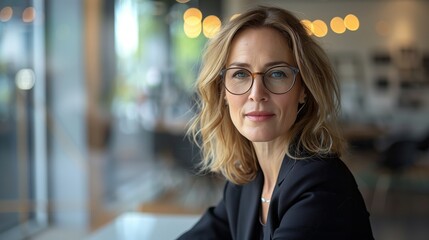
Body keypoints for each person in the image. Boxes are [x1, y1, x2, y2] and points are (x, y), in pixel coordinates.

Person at [177, 5, 374, 240]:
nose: (257, 93)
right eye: (240, 74)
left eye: (277, 73)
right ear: (223, 93)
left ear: (304, 89)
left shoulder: (321, 185)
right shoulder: (247, 182)